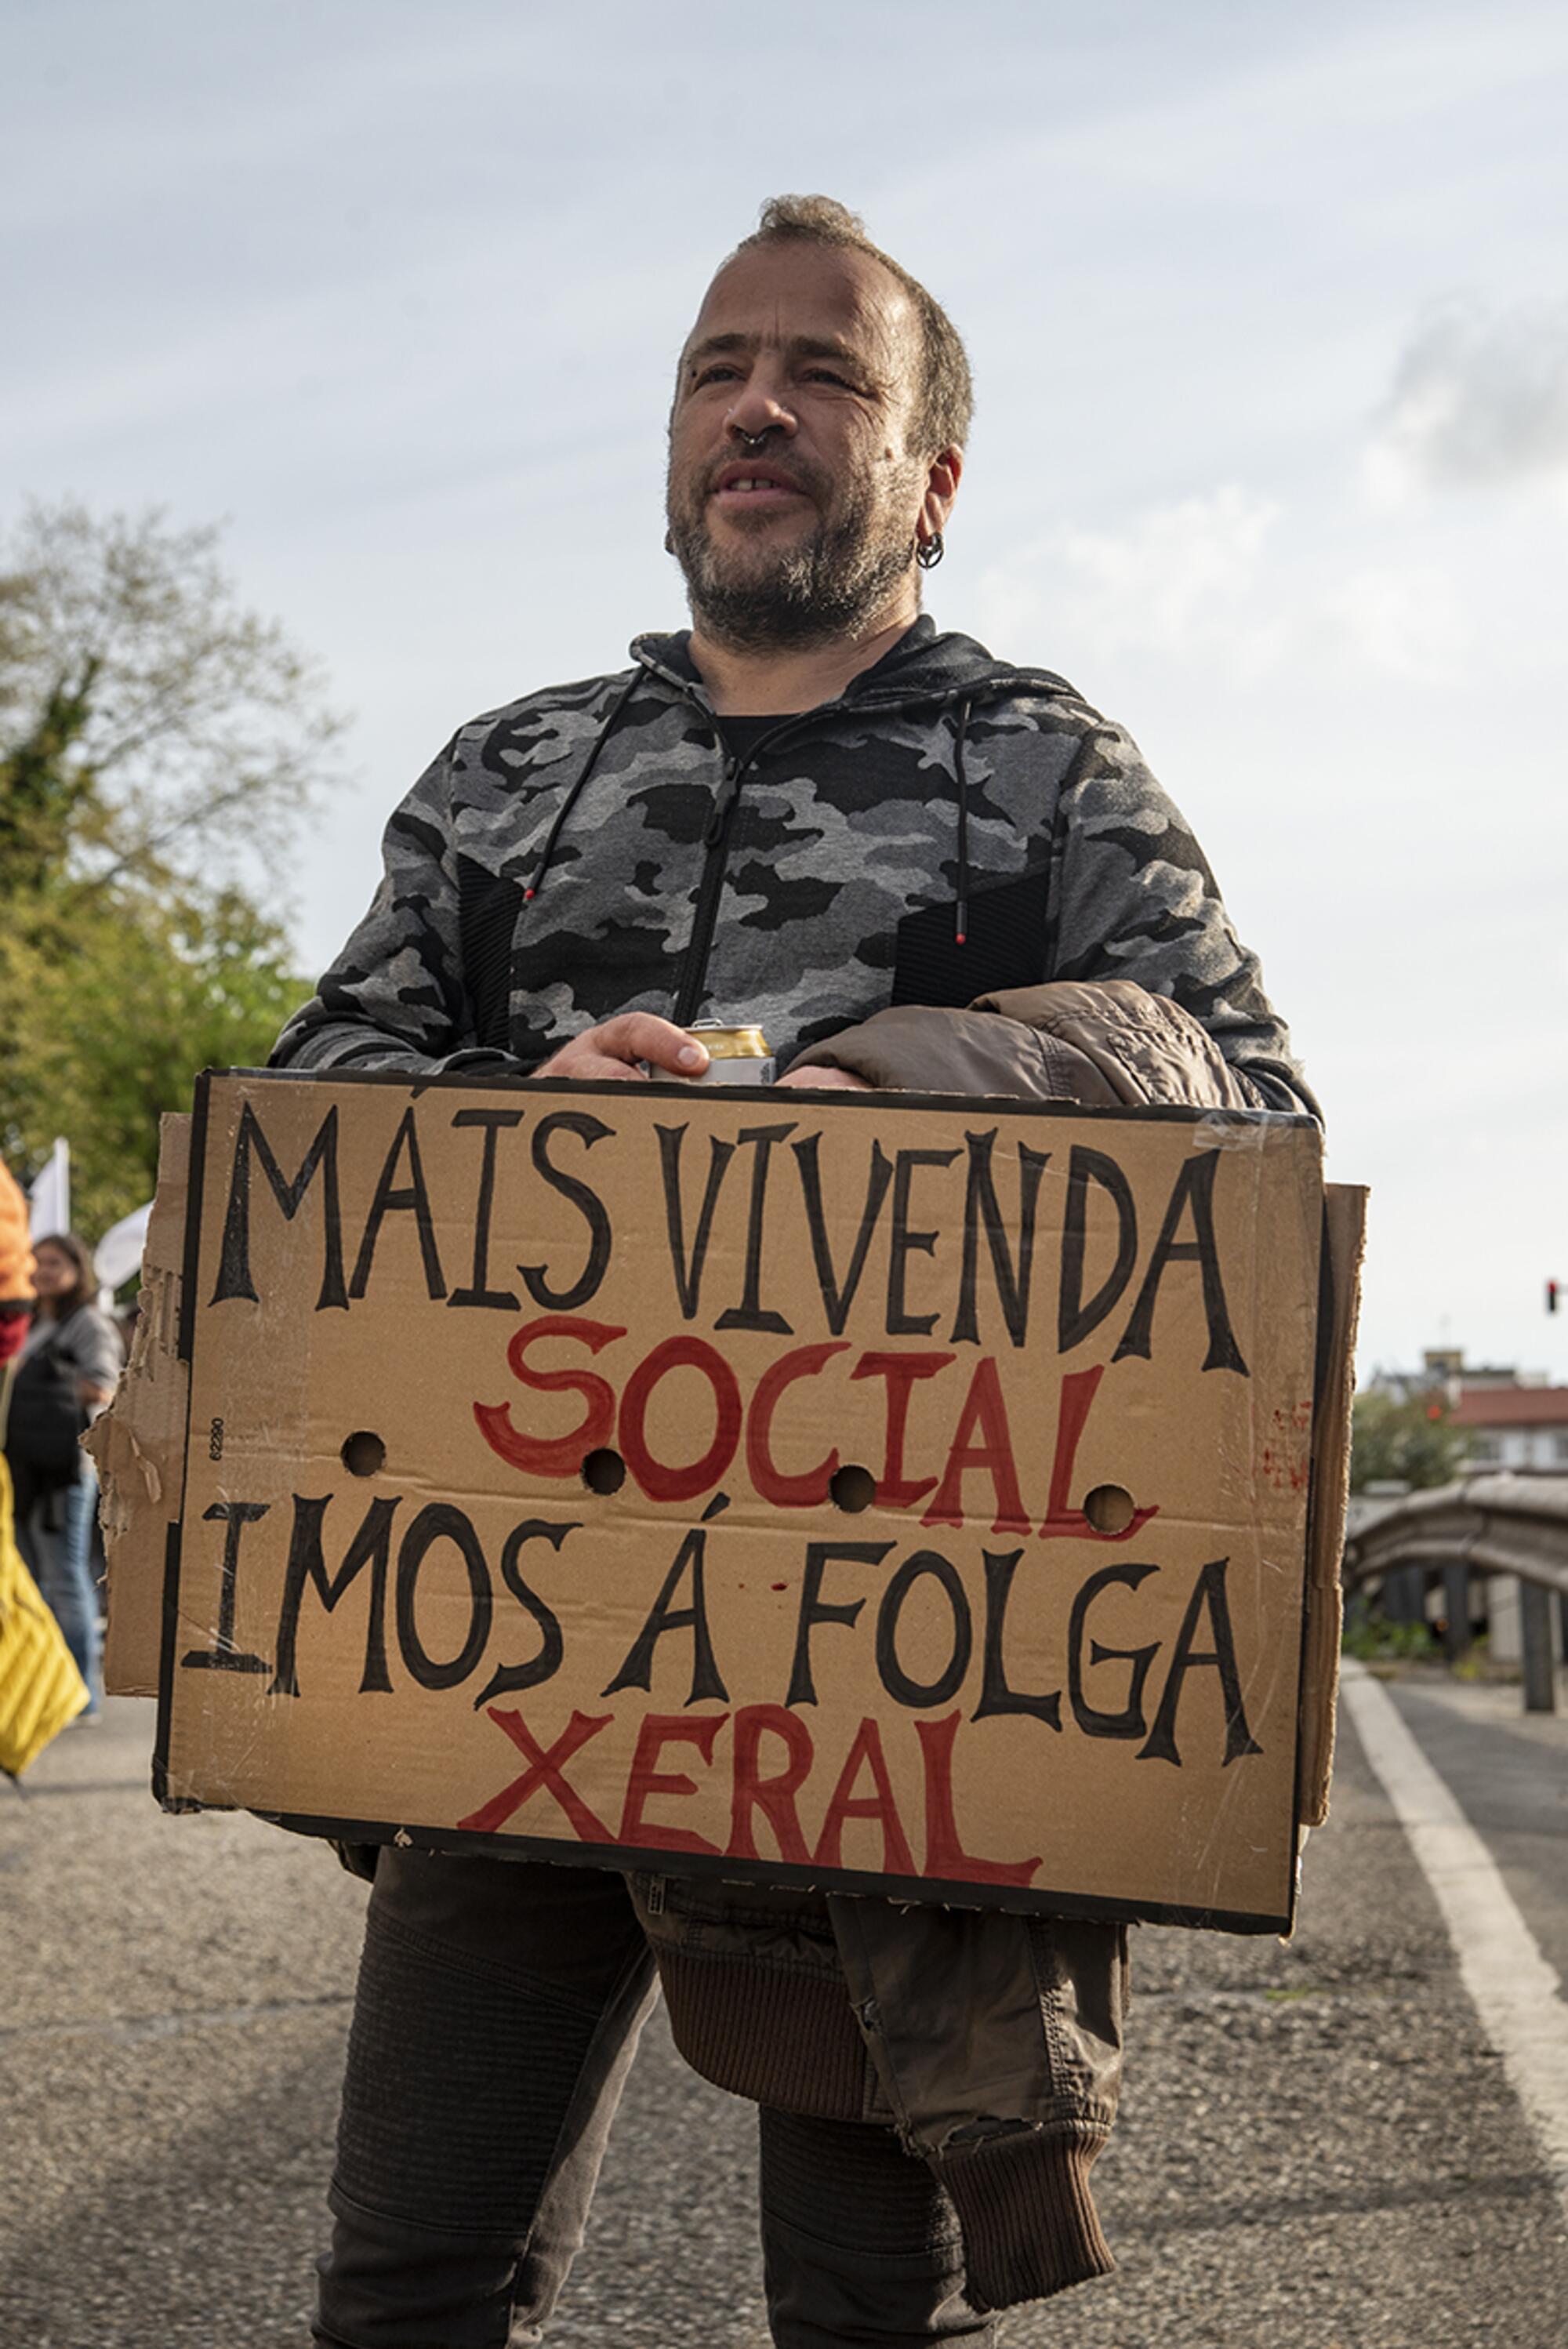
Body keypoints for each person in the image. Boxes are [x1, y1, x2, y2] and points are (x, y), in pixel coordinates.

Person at [273, 195, 1317, 2347]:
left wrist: (890, 1091)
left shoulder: (1040, 770)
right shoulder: (513, 772)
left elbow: (1250, 1121)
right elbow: (314, 1110)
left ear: (932, 475)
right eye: (716, 369)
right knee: (405, 2291)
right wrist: (524, 1090)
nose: (757, 405)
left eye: (826, 373)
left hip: (887, 1696)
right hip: (526, 1644)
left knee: (863, 2317)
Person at [3, 1230, 122, 1716]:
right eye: (37, 1261)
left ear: (77, 1268)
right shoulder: (28, 1321)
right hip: (25, 1467)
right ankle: (44, 1691)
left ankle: (81, 1694)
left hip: (66, 1469)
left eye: (54, 1262)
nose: (43, 1270)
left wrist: (49, 1381)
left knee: (65, 1575)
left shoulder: (88, 1323)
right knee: (32, 1578)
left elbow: (107, 1389)